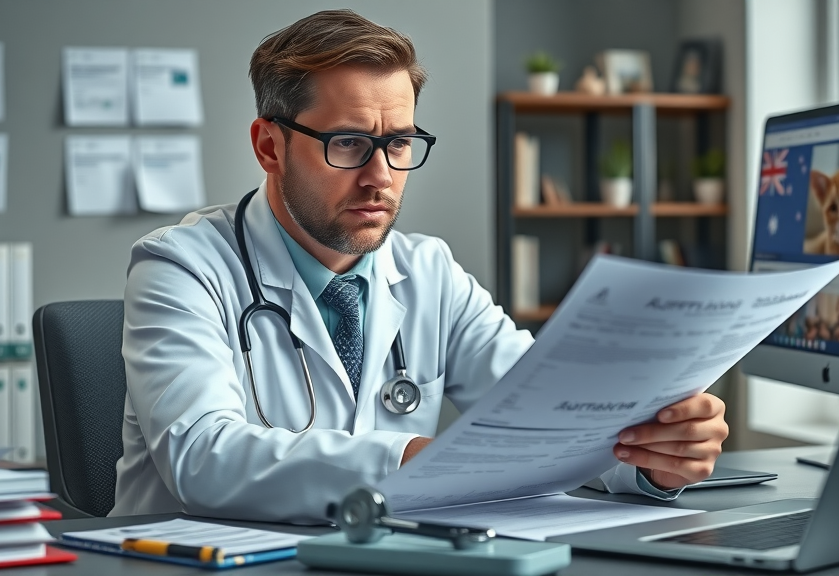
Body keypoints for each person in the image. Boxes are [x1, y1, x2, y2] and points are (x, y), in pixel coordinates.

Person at [111, 9, 729, 523]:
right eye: (348, 143)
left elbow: (546, 412)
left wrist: (647, 455)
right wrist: (413, 460)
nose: (381, 176)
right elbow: (202, 457)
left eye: (399, 143)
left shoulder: (427, 271)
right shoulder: (181, 266)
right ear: (270, 146)